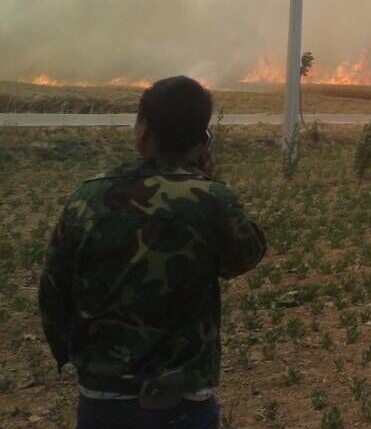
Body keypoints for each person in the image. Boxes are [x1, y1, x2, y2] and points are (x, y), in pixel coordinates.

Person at [38, 75, 267, 429]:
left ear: (143, 129)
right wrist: (204, 177)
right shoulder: (213, 200)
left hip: (104, 396)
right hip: (183, 400)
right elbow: (246, 255)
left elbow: (53, 291)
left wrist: (76, 356)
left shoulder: (86, 198)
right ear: (201, 138)